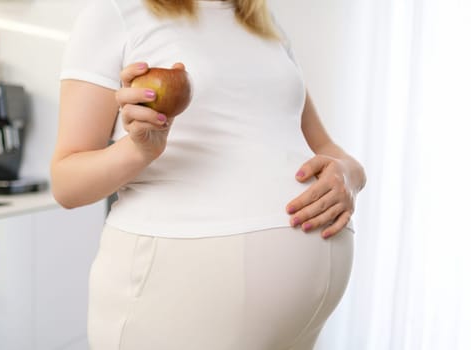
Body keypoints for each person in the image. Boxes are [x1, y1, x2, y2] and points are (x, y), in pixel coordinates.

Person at [51, 0, 366, 349]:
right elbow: (67, 184)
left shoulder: (261, 24)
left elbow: (327, 148)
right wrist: (139, 150)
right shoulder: (116, 13)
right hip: (172, 288)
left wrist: (349, 176)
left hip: (296, 317)